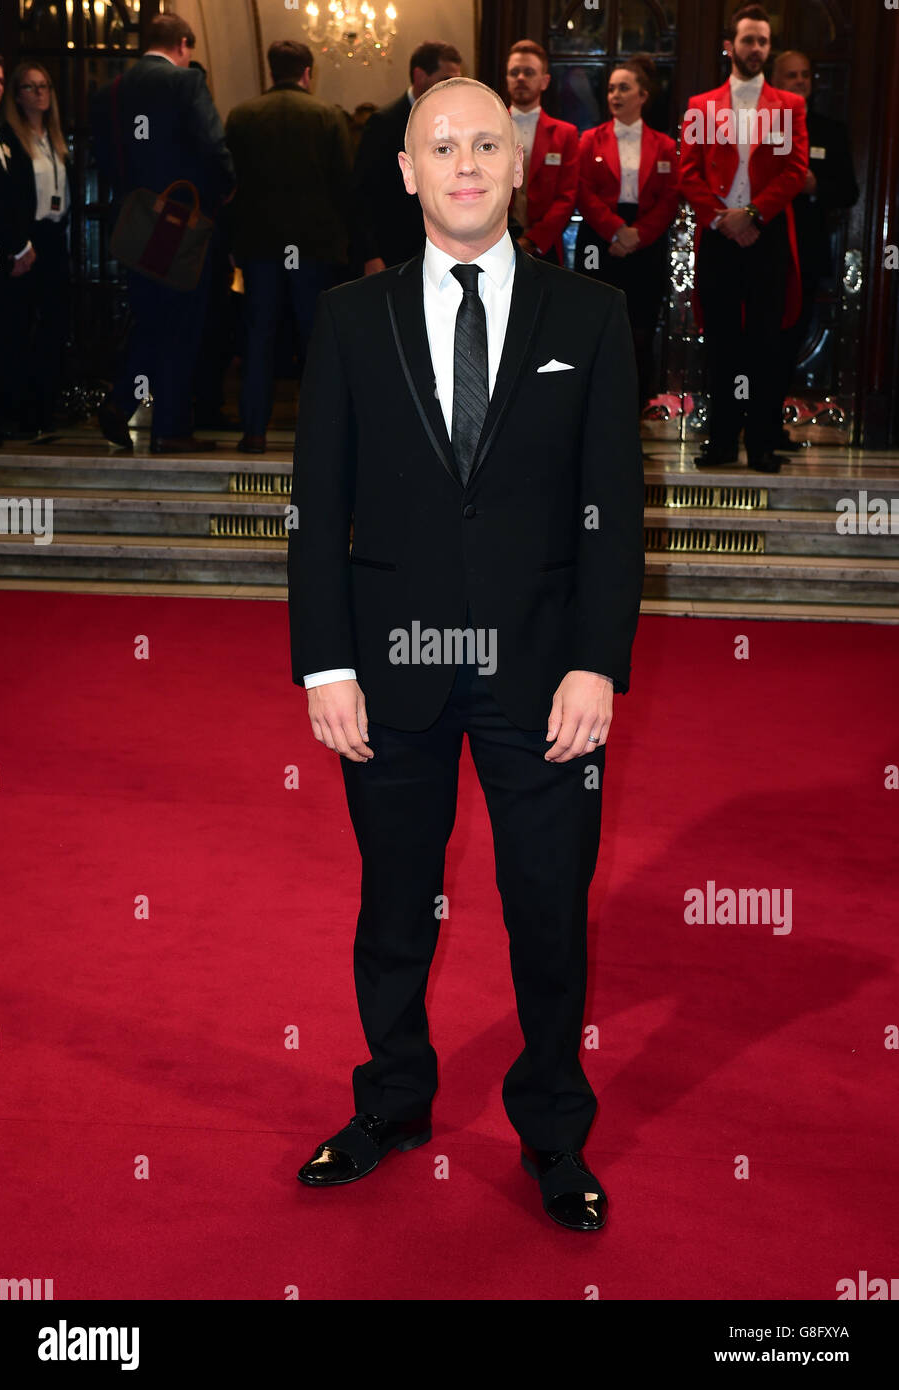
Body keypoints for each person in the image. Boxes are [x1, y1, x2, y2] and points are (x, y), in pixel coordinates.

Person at [287, 77, 644, 1232]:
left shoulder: (587, 317)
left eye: (485, 142)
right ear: (406, 170)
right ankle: (390, 1101)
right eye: (440, 146)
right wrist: (322, 663)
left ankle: (551, 1129)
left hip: (545, 676)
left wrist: (597, 662)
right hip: (387, 670)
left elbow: (614, 510)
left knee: (545, 905)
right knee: (396, 906)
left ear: (518, 156)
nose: (464, 163)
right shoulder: (349, 319)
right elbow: (315, 508)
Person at [90, 13, 235, 453]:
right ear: (184, 44)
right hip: (180, 225)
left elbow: (107, 161)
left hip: (133, 224)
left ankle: (121, 404)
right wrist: (224, 192)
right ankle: (169, 429)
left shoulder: (108, 93)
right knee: (183, 324)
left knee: (152, 320)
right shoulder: (186, 83)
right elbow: (214, 148)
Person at [679, 3, 807, 473]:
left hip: (766, 234)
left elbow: (795, 169)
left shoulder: (790, 105)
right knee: (722, 341)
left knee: (766, 344)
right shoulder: (701, 106)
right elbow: (687, 173)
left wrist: (752, 214)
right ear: (729, 46)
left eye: (763, 41)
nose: (756, 48)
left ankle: (762, 444)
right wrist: (722, 219)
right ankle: (721, 443)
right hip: (718, 235)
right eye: (749, 40)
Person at [225, 40, 351, 454]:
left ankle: (254, 432)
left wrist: (233, 242)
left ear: (271, 71)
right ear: (307, 73)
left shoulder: (242, 116)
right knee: (315, 341)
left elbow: (233, 187)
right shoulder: (327, 116)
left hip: (259, 245)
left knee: (257, 337)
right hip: (314, 247)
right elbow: (342, 185)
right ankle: (318, 434)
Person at [574, 55, 679, 410]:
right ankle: (593, 413)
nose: (615, 95)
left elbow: (669, 198)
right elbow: (582, 191)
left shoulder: (664, 145)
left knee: (639, 332)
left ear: (643, 95)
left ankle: (632, 415)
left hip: (644, 242)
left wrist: (638, 235)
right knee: (596, 330)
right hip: (601, 239)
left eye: (624, 88)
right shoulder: (589, 140)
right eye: (610, 89)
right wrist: (616, 230)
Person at [771, 50, 858, 445]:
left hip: (805, 251)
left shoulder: (829, 130)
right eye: (791, 75)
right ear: (775, 81)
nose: (800, 81)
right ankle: (741, 422)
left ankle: (773, 423)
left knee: (789, 339)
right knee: (754, 338)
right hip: (760, 247)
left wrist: (815, 187)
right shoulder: (763, 125)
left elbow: (850, 192)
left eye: (806, 75)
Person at [351, 40, 462, 275]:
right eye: (445, 80)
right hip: (393, 252)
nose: (452, 87)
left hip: (442, 250)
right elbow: (361, 194)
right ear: (420, 75)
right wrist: (370, 255)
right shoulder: (384, 123)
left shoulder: (456, 123)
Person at [4, 61, 72, 437]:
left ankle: (47, 408)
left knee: (55, 324)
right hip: (28, 240)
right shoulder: (11, 139)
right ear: (17, 95)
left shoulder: (55, 138)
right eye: (30, 87)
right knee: (25, 325)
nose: (39, 92)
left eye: (44, 85)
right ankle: (24, 413)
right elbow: (10, 198)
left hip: (54, 237)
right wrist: (19, 243)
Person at [0, 53, 36, 445]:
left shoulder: (1, 133)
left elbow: (13, 194)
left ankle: (5, 414)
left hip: (1, 249)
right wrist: (16, 247)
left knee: (3, 332)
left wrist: (21, 245)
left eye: (1, 81)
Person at [504, 39, 580, 265]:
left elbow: (567, 198)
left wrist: (533, 240)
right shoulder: (487, 128)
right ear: (507, 79)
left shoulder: (565, 134)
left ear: (544, 81)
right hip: (493, 243)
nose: (520, 78)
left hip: (545, 247)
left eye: (528, 72)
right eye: (514, 72)